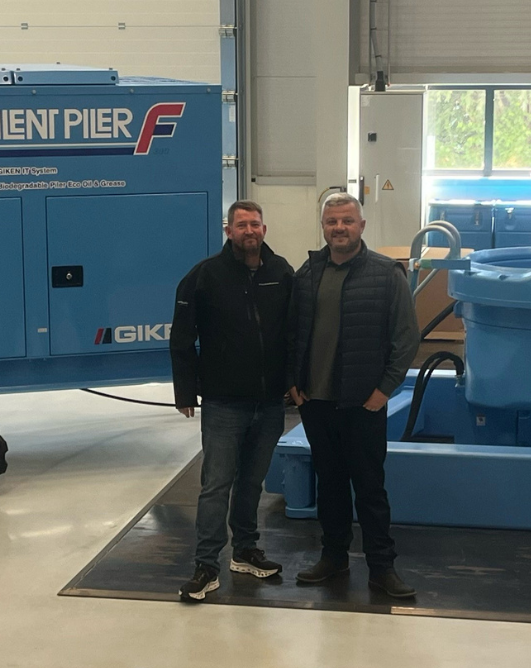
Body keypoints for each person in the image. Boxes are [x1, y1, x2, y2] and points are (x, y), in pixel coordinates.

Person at [287, 192, 418, 600]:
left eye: (346, 221)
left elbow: (405, 339)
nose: (339, 228)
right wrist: (293, 383)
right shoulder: (308, 272)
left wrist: (383, 392)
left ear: (361, 225)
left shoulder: (385, 274)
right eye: (331, 222)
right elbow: (292, 333)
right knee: (330, 485)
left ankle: (382, 567)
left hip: (363, 403)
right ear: (323, 227)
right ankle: (334, 557)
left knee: (370, 487)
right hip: (317, 402)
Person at [169, 199, 296, 602]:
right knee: (215, 484)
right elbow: (182, 338)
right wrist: (185, 391)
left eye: (255, 224)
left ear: (264, 228)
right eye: (241, 225)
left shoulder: (281, 273)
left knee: (252, 482)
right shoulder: (204, 276)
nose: (249, 231)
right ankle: (206, 564)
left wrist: (293, 382)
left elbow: (295, 333)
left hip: (270, 402)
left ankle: (245, 550)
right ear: (228, 231)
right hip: (224, 402)